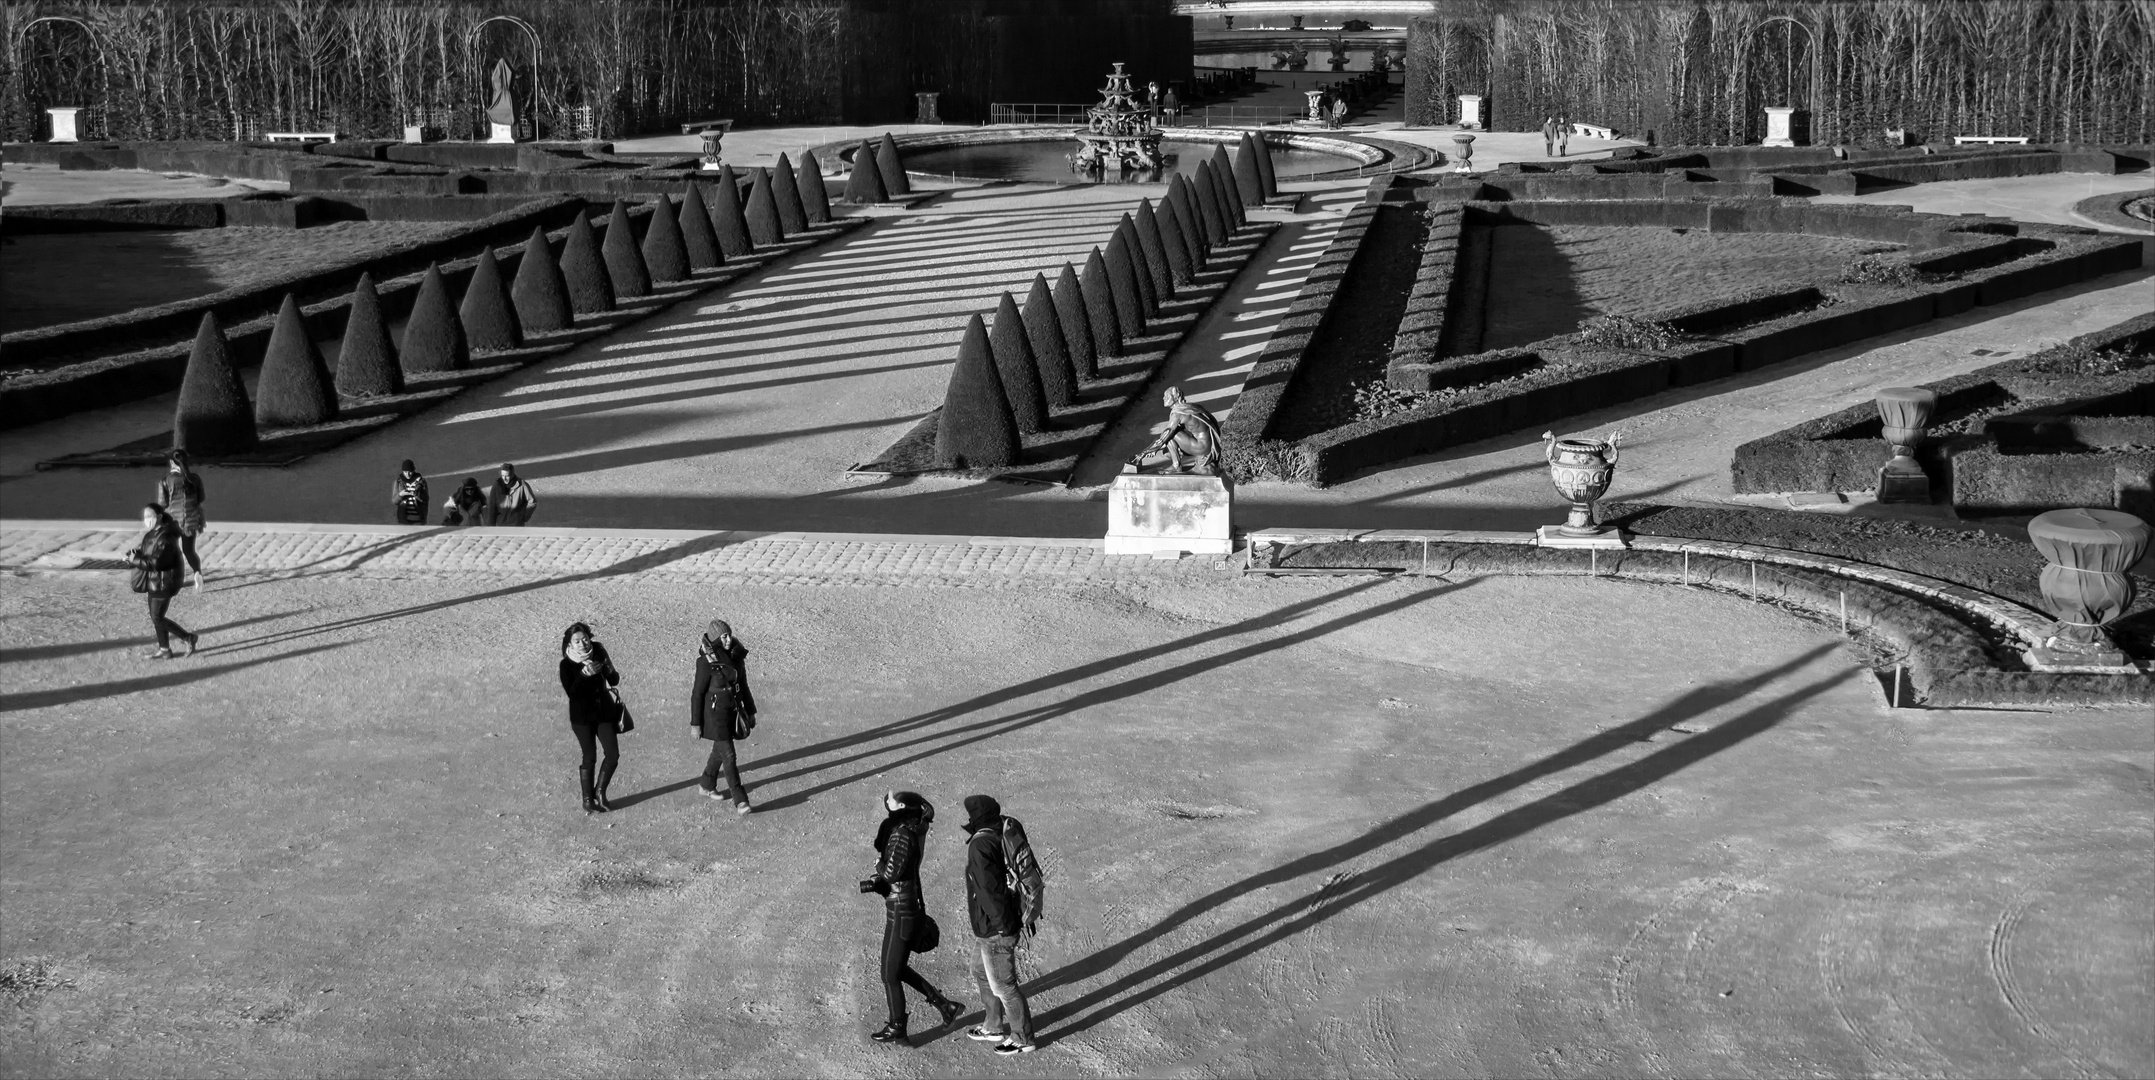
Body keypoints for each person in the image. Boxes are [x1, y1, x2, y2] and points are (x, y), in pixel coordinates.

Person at [863, 791, 966, 1045]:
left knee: (889, 974)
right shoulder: (913, 830)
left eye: (894, 804)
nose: (889, 808)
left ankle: (898, 1027)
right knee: (894, 968)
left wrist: (878, 866)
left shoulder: (902, 834)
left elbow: (891, 872)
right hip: (903, 905)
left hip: (901, 910)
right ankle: (945, 1006)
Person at [961, 794, 1036, 1055]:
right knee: (979, 971)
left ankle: (1023, 1038)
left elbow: (989, 891)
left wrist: (1004, 928)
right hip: (990, 925)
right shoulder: (1001, 830)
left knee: (1004, 985)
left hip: (996, 928)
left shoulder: (980, 845)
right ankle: (993, 1026)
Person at [690, 619, 756, 814]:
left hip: (733, 711)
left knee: (719, 751)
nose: (728, 640)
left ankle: (706, 784)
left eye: (729, 635)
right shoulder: (705, 662)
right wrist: (695, 724)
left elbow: (743, 686)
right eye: (724, 636)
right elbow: (697, 694)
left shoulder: (737, 658)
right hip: (714, 716)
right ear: (716, 639)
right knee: (729, 755)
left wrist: (751, 711)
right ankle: (740, 799)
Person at [559, 621, 623, 814]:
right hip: (582, 718)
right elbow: (573, 694)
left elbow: (614, 680)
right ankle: (588, 799)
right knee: (590, 757)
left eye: (585, 639)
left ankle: (600, 793)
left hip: (603, 713)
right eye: (577, 641)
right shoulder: (566, 665)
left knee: (612, 755)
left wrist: (606, 665)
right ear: (569, 645)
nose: (583, 643)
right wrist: (584, 675)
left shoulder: (599, 653)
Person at [129, 504, 197, 659]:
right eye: (145, 517)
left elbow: (155, 563)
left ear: (159, 517)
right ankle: (164, 649)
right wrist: (135, 555)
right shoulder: (152, 534)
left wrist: (134, 560)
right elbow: (147, 554)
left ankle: (188, 638)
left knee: (157, 617)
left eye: (149, 516)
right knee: (156, 617)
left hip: (165, 582)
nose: (146, 520)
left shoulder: (166, 537)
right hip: (154, 580)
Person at [1130, 386, 1223, 475]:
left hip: (1201, 448)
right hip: (1208, 446)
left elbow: (1165, 435)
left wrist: (1145, 452)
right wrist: (1156, 448)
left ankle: (1176, 466)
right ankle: (1176, 461)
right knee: (1172, 432)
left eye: (1167, 396)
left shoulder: (1177, 413)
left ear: (1176, 397)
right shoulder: (1189, 407)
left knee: (1171, 434)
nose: (1163, 398)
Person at [155, 449, 208, 591]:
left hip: (172, 523)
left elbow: (162, 504)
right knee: (189, 551)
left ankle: (175, 580)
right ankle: (197, 572)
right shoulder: (195, 478)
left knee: (172, 551)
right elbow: (201, 498)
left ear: (171, 462)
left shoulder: (165, 481)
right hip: (191, 521)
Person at [392, 460, 429, 525]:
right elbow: (395, 501)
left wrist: (416, 494)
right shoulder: (398, 482)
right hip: (403, 519)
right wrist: (401, 494)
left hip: (418, 518)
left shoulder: (421, 481)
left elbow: (425, 499)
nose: (408, 474)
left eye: (410, 472)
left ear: (413, 470)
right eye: (405, 472)